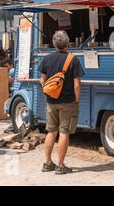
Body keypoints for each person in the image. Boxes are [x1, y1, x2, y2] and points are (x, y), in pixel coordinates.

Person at [39, 31, 84, 175]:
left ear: (54, 43)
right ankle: (60, 165)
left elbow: (42, 80)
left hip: (51, 102)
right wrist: (77, 99)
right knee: (64, 132)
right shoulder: (73, 60)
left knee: (51, 131)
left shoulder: (47, 59)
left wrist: (48, 92)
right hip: (68, 102)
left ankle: (47, 163)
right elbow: (77, 84)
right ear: (68, 42)